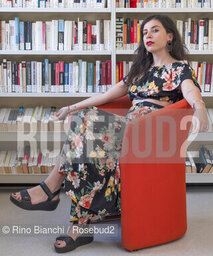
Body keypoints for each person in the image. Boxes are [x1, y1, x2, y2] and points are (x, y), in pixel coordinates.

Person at [10, 14, 209, 253]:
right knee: (86, 140)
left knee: (87, 124)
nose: (148, 35)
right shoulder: (140, 70)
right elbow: (107, 96)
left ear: (169, 36)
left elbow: (191, 92)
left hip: (151, 132)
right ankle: (78, 226)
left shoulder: (179, 67)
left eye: (155, 30)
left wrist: (200, 108)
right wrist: (71, 107)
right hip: (127, 128)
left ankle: (50, 189)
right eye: (145, 32)